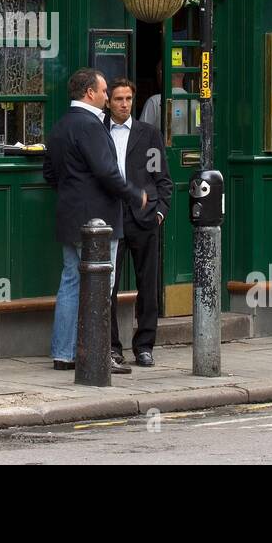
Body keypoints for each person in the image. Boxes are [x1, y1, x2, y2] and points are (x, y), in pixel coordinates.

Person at [44, 68, 146, 374]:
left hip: (69, 215)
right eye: (103, 92)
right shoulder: (91, 126)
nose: (106, 96)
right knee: (102, 285)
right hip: (98, 221)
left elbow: (50, 173)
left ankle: (64, 354)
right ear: (90, 93)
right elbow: (106, 172)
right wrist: (133, 194)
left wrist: (74, 191)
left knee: (71, 284)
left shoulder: (61, 125)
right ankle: (97, 354)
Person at [106, 78, 172, 367]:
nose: (124, 104)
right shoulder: (99, 132)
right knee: (108, 286)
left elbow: (162, 179)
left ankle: (144, 346)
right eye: (118, 99)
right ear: (108, 102)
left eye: (128, 99)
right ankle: (111, 347)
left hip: (144, 220)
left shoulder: (149, 135)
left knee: (148, 285)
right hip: (110, 218)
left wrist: (160, 212)